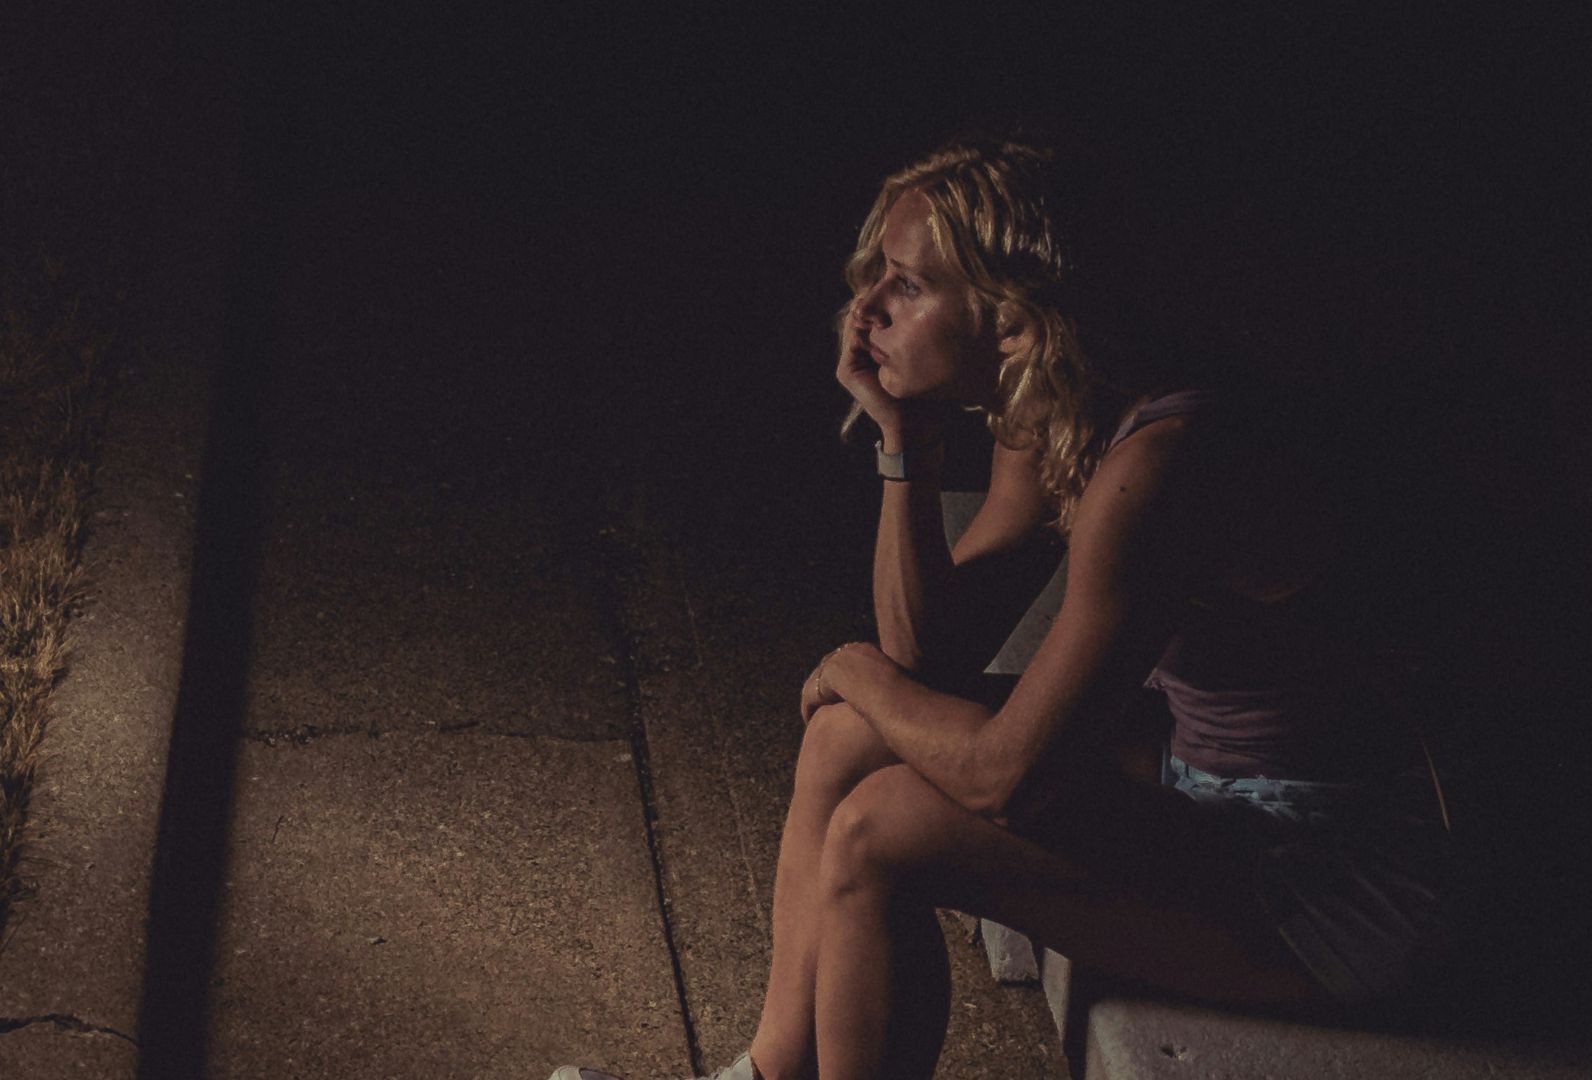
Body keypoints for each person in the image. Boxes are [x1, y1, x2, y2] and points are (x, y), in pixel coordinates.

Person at [552, 137, 1455, 1080]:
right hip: (1209, 786)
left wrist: (850, 666)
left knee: (879, 827)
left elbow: (1005, 778)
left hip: (1332, 876)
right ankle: (769, 1072)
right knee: (845, 741)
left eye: (906, 284)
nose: (866, 310)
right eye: (876, 279)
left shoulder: (1158, 467)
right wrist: (906, 440)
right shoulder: (1060, 402)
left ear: (1013, 318)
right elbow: (927, 655)